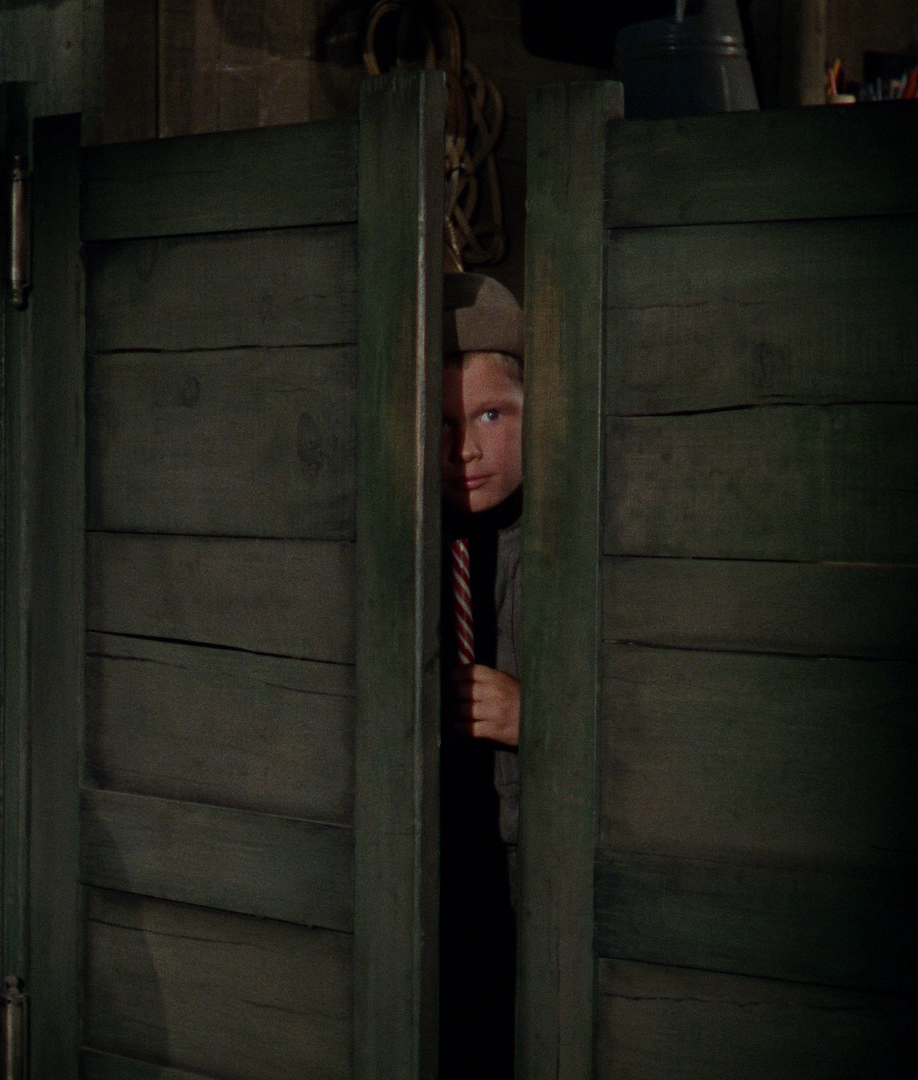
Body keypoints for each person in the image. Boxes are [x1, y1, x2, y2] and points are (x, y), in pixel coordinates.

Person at [436, 271, 524, 1078]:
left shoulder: (570, 539)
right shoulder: (410, 538)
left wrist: (538, 717)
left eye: (492, 416)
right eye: (444, 423)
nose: (465, 448)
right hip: (436, 862)